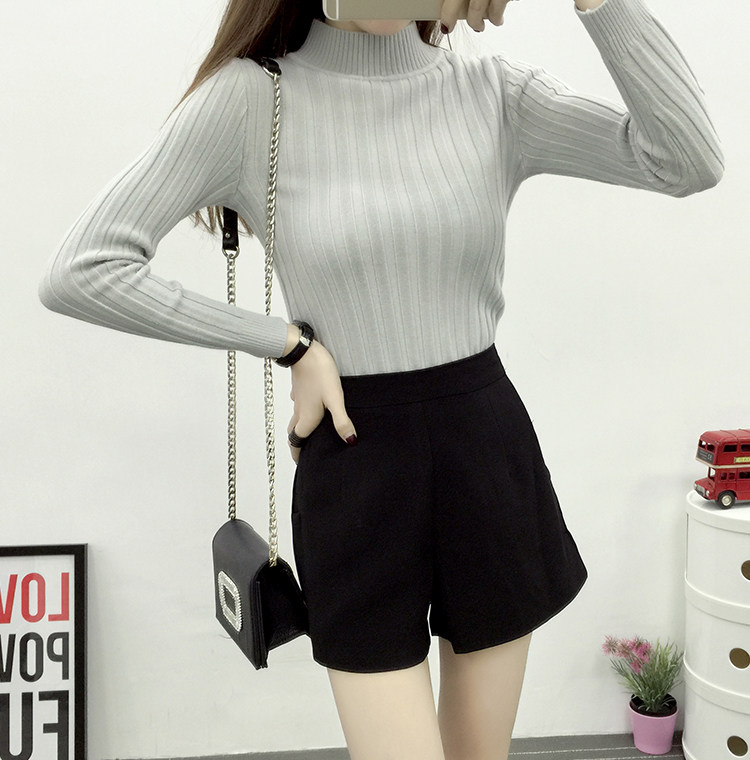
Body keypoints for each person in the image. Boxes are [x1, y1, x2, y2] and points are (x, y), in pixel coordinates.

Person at [38, 0, 723, 757]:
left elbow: (687, 161)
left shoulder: (492, 92)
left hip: (487, 454)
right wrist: (290, 346)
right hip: (357, 464)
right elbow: (83, 269)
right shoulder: (253, 100)